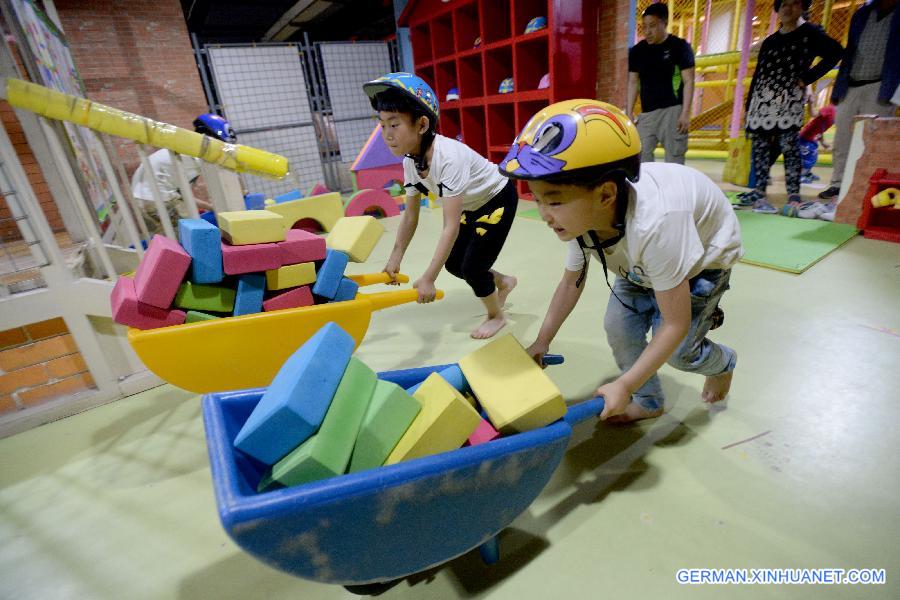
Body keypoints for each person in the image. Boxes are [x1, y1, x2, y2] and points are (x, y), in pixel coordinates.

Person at [500, 99, 742, 422]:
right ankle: (650, 401)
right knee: (618, 326)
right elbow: (572, 281)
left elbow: (675, 323)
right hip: (641, 262)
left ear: (605, 195)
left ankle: (723, 363)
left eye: (554, 202)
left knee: (681, 352)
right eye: (538, 200)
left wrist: (624, 384)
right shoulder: (582, 220)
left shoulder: (655, 225)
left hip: (701, 261)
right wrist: (542, 341)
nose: (544, 215)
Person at [363, 72, 518, 339]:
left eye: (394, 124)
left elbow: (450, 226)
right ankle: (503, 282)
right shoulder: (410, 161)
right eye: (382, 125)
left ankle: (496, 316)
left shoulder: (448, 158)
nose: (386, 135)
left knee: (472, 267)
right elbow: (410, 216)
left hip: (497, 199)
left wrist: (427, 278)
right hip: (472, 206)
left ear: (422, 125)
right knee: (455, 264)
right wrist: (394, 259)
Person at [734, 0, 842, 215]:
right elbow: (759, 74)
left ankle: (793, 194)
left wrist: (808, 77)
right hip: (762, 101)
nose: (787, 8)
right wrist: (748, 105)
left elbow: (836, 52)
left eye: (793, 4)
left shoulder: (810, 33)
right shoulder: (770, 41)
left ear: (802, 7)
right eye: (783, 4)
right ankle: (759, 191)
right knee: (761, 148)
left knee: (789, 146)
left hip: (788, 101)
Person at [818, 0, 899, 203]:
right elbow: (850, 50)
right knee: (842, 137)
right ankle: (838, 184)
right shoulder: (862, 13)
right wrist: (838, 87)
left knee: (873, 141)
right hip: (851, 83)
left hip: (881, 86)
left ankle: (868, 187)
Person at [130, 113, 235, 235]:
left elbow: (182, 195)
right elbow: (184, 196)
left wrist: (210, 207)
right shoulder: (194, 159)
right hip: (153, 199)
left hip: (142, 195)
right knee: (181, 238)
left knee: (167, 238)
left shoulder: (185, 150)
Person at [626, 2, 696, 165]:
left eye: (652, 26)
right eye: (644, 26)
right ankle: (649, 191)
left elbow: (689, 80)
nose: (647, 31)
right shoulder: (637, 51)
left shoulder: (680, 47)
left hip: (672, 112)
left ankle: (676, 191)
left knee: (674, 159)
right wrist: (629, 111)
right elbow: (632, 81)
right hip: (647, 114)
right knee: (641, 158)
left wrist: (685, 113)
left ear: (664, 23)